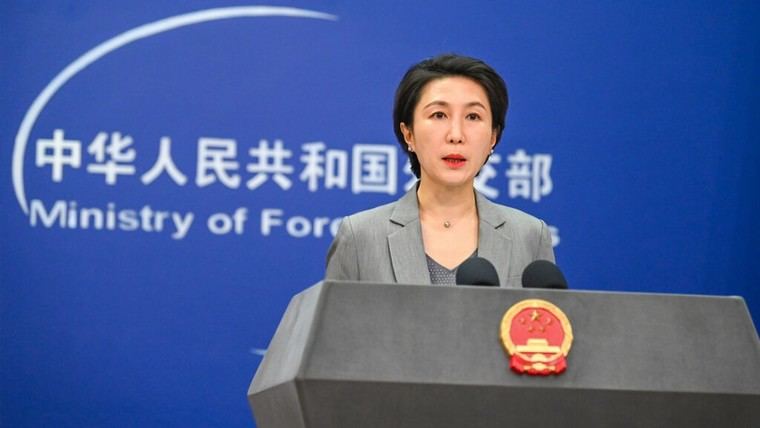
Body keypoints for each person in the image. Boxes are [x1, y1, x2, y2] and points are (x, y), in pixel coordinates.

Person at [325, 54, 554, 287]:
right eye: (439, 115)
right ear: (408, 134)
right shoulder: (360, 237)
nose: (456, 135)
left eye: (473, 116)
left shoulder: (530, 236)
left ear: (493, 137)